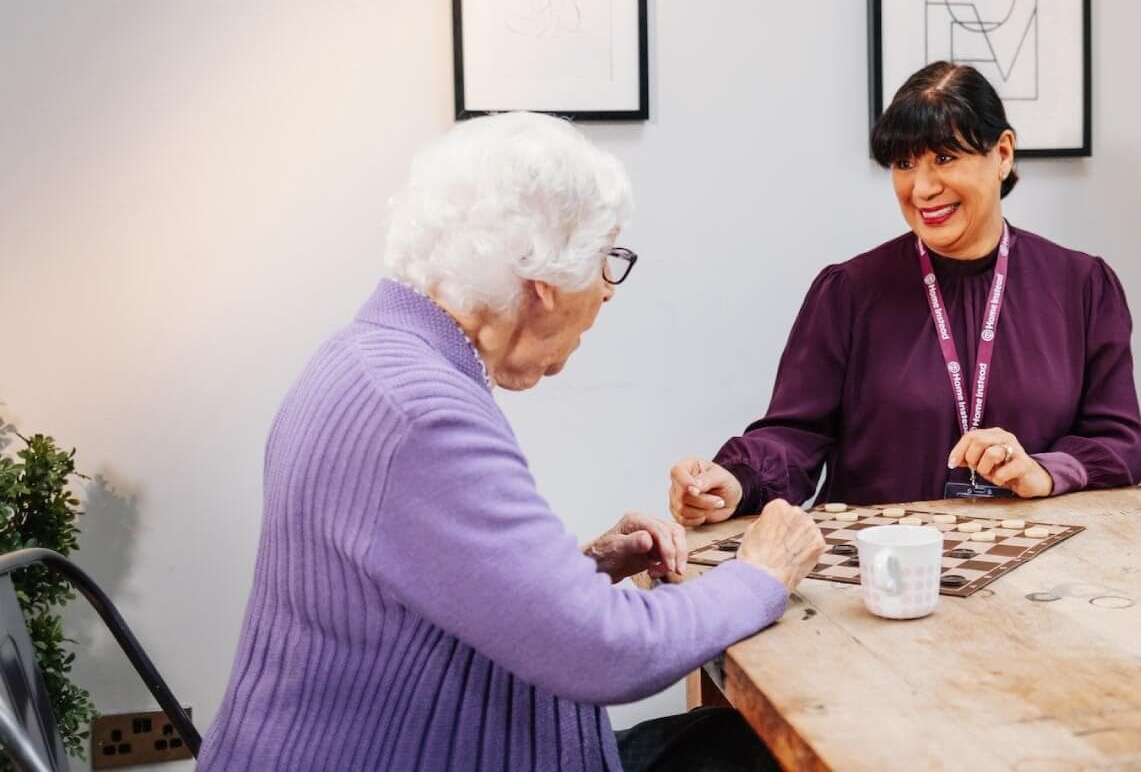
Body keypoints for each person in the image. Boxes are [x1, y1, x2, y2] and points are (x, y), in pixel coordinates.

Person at [198, 112, 825, 772]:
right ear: (544, 283)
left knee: (724, 745)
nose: (607, 294)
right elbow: (606, 652)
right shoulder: (422, 415)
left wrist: (584, 569)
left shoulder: (367, 359)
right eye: (605, 260)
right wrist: (762, 575)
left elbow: (433, 584)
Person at [670, 61, 1141, 528]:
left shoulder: (1082, 286)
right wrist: (735, 479)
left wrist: (1044, 470)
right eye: (904, 163)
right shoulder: (849, 292)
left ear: (1002, 154)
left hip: (1039, 575)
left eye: (944, 157)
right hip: (876, 572)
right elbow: (795, 434)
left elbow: (1120, 443)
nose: (922, 188)